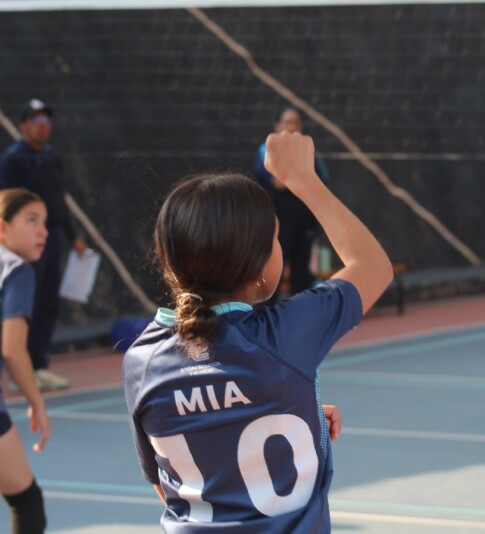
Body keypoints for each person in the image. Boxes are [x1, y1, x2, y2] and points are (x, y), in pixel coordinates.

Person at [123, 130, 392, 531]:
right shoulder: (286, 335)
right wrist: (304, 179)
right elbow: (372, 266)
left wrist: (286, 408)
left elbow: (167, 482)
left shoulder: (142, 360)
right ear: (259, 262)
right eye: (276, 237)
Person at [0, 99, 88, 391]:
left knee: (48, 303)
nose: (42, 127)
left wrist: (73, 236)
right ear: (23, 126)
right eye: (35, 121)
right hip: (26, 244)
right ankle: (20, 371)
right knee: (27, 303)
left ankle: (39, 366)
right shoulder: (13, 159)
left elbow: (59, 200)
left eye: (45, 121)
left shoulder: (52, 156)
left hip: (52, 241)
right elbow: (6, 204)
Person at [0, 188, 51, 534]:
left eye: (44, 222)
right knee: (27, 502)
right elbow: (13, 349)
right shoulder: (16, 271)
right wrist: (37, 403)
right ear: (3, 228)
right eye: (31, 220)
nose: (42, 231)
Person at [252, 107, 330, 297]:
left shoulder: (310, 153)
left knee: (302, 276)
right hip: (278, 225)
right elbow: (278, 183)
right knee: (273, 274)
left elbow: (319, 182)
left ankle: (300, 312)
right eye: (287, 122)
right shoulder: (266, 151)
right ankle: (268, 311)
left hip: (304, 223)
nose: (291, 127)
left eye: (295, 122)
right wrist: (301, 177)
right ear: (277, 125)